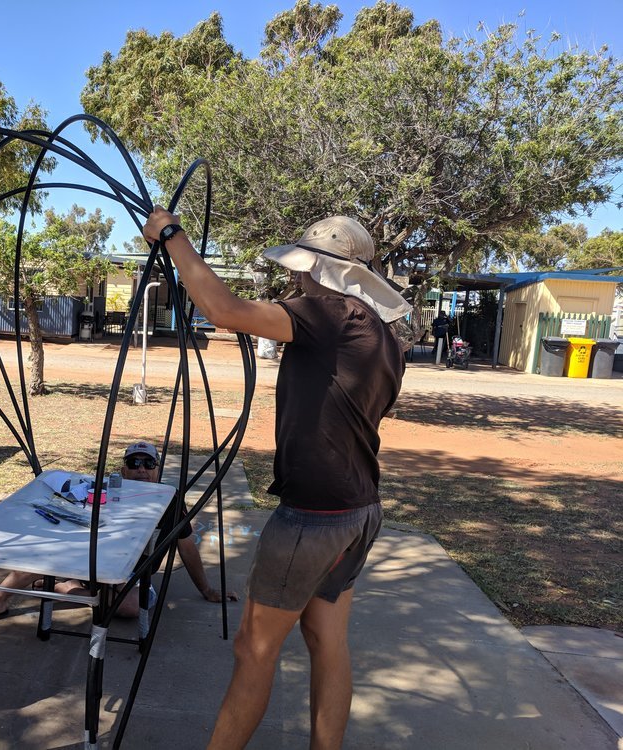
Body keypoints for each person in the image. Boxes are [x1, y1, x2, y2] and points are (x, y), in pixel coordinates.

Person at [142, 208, 408, 750]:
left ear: (320, 270)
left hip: (315, 516)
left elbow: (223, 310)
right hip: (358, 509)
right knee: (325, 639)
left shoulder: (328, 313)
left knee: (253, 648)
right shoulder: (380, 332)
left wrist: (173, 238)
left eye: (301, 268)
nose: (294, 278)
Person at [0, 440, 236, 625]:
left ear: (157, 471)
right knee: (39, 558)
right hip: (91, 559)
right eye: (134, 463)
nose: (141, 469)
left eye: (148, 464)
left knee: (131, 608)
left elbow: (186, 546)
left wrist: (207, 589)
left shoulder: (170, 500)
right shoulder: (106, 490)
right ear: (123, 470)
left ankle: (65, 587)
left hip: (130, 574)